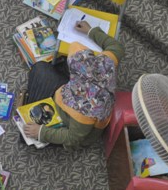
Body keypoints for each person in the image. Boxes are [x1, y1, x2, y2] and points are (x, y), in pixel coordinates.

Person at [23, 20, 125, 149]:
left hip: (75, 127)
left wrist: (41, 132)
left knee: (40, 69)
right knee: (48, 68)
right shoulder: (106, 62)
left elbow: (73, 138)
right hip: (83, 99)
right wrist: (90, 31)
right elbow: (116, 47)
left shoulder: (84, 111)